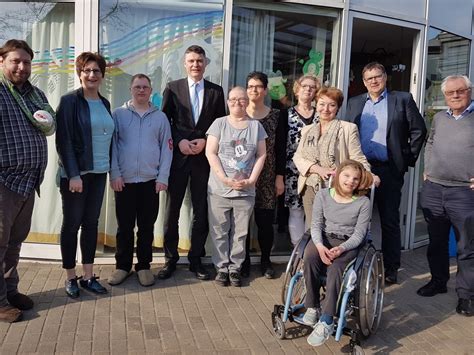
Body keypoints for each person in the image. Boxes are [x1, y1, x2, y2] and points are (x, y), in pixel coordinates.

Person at [345, 62, 427, 284]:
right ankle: (355, 263)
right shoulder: (354, 103)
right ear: (363, 82)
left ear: (385, 77)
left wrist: (406, 160)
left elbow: (419, 130)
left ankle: (391, 268)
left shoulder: (402, 99)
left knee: (389, 220)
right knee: (356, 219)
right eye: (369, 78)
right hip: (360, 171)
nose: (374, 81)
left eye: (378, 76)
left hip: (389, 170)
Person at [158, 45, 226, 281]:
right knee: (171, 212)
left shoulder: (217, 91)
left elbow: (220, 125)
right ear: (184, 64)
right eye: (191, 61)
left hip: (203, 161)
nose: (195, 64)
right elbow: (164, 121)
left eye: (199, 60)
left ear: (206, 63)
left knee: (201, 211)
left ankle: (196, 260)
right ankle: (170, 260)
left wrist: (206, 141)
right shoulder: (172, 88)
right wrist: (179, 141)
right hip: (178, 159)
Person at [0, 39, 55, 323]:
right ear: (2, 62)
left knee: (14, 243)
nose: (22, 67)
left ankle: (10, 291)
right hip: (3, 181)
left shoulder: (35, 93)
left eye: (26, 62)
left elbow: (49, 124)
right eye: (15, 61)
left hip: (28, 181)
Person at [56, 52, 114, 298]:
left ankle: (88, 276)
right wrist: (74, 174)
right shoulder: (69, 101)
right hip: (76, 175)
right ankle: (71, 277)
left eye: (96, 71)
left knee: (91, 225)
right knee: (72, 225)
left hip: (99, 173)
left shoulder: (105, 102)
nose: (92, 75)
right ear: (80, 73)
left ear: (102, 75)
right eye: (87, 70)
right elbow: (64, 141)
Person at [108, 74, 173, 287]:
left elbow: (167, 148)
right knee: (124, 227)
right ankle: (122, 266)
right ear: (131, 90)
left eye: (145, 87)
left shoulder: (160, 117)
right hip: (124, 182)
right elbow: (113, 147)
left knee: (146, 227)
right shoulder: (118, 115)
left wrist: (162, 177)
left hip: (150, 182)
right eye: (137, 87)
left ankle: (144, 266)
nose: (141, 90)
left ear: (151, 90)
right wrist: (115, 174)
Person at [418, 75, 474, 317]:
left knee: (467, 246)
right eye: (450, 93)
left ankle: (466, 296)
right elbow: (430, 142)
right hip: (434, 189)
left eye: (460, 91)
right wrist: (427, 168)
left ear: (469, 91)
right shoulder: (440, 118)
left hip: (464, 192)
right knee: (437, 242)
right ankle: (438, 281)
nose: (455, 95)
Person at [302, 160, 373, 347]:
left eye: (355, 179)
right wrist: (319, 246)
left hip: (347, 243)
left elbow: (359, 234)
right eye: (347, 176)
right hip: (323, 239)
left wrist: (342, 248)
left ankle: (326, 319)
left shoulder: (363, 203)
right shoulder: (323, 195)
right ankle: (312, 305)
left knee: (336, 268)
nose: (351, 181)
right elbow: (316, 224)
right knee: (309, 257)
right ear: (338, 175)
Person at [205, 86, 267, 287]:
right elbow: (211, 152)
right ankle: (221, 268)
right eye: (232, 99)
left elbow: (261, 154)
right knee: (219, 230)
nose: (237, 103)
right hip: (219, 189)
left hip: (245, 190)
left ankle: (235, 268)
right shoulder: (219, 124)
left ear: (247, 101)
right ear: (227, 102)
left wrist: (251, 180)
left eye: (241, 99)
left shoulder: (256, 127)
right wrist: (223, 178)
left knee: (240, 233)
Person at [293, 87, 374, 226]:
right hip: (310, 186)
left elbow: (357, 158)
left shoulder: (348, 128)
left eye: (332, 105)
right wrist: (317, 169)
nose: (326, 109)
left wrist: (369, 175)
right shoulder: (307, 130)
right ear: (316, 105)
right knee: (312, 228)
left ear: (338, 108)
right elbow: (298, 157)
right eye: (322, 104)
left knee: (332, 228)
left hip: (336, 188)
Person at [241, 72, 286, 279]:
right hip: (243, 175)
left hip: (267, 176)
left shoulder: (277, 115)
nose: (254, 90)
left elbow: (281, 149)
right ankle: (244, 261)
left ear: (266, 90)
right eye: (250, 86)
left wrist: (279, 176)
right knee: (243, 221)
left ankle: (266, 260)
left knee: (265, 222)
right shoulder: (239, 114)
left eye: (258, 86)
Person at [285, 75, 321, 246]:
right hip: (293, 169)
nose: (308, 89)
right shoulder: (287, 115)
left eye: (312, 87)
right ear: (297, 90)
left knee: (313, 211)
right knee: (296, 209)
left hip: (316, 170)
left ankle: (310, 251)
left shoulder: (322, 114)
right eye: (304, 86)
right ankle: (298, 250)